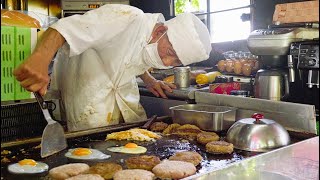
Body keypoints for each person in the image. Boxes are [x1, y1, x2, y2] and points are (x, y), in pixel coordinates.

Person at [13, 4, 212, 131]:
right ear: (160, 30)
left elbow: (127, 57)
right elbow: (62, 29)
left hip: (122, 103)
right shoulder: (125, 18)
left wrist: (149, 79)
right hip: (88, 98)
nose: (168, 63)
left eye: (177, 62)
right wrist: (40, 60)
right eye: (170, 54)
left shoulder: (154, 40)